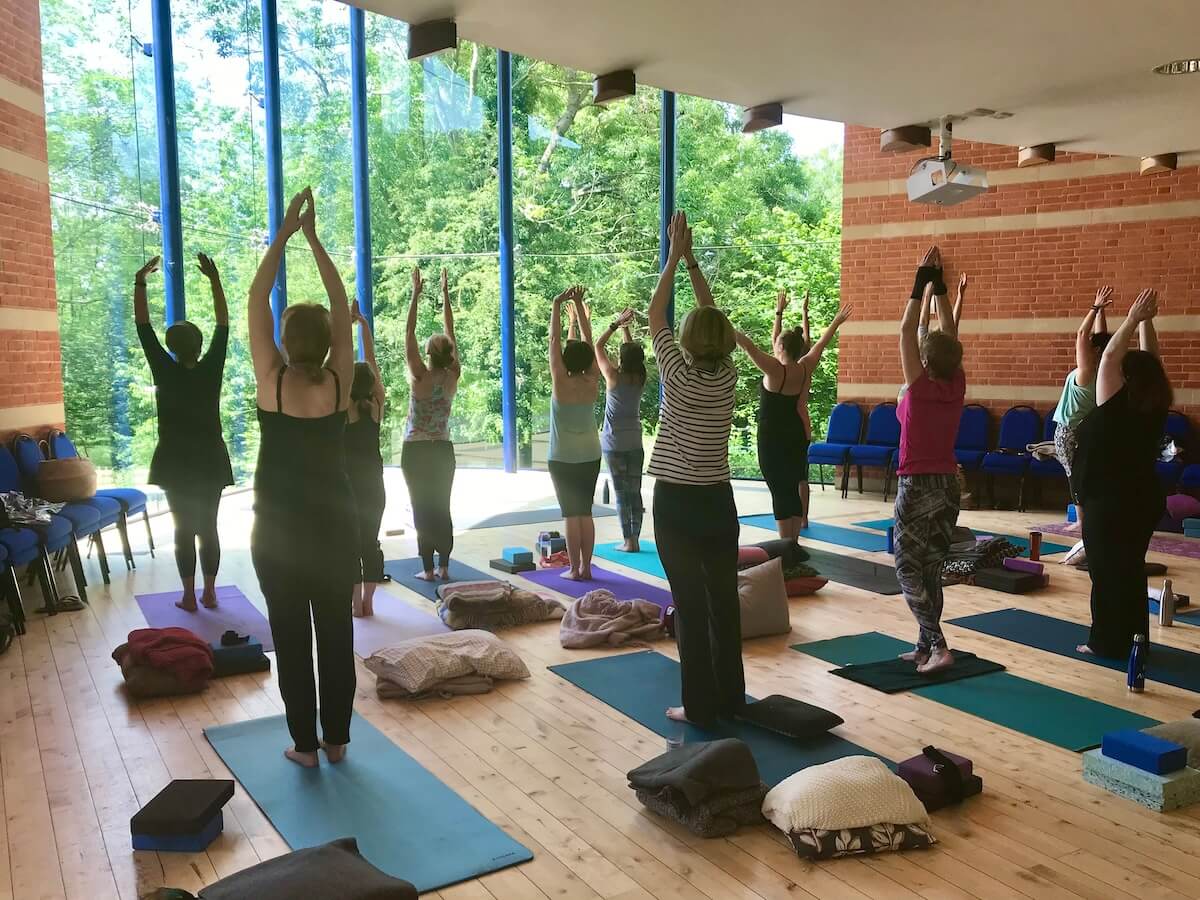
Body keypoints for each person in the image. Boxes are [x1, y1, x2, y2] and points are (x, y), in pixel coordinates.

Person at [248, 187, 356, 768]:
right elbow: (342, 309)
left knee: (292, 641)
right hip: (336, 529)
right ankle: (337, 741)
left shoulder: (274, 383)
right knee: (336, 636)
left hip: (281, 537)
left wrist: (285, 235)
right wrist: (315, 240)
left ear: (285, 344)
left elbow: (256, 296)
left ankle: (305, 747)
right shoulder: (340, 381)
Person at [648, 212, 742, 727]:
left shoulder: (676, 370)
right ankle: (730, 697)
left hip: (679, 503)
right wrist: (693, 265)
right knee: (723, 601)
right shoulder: (727, 374)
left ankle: (701, 706)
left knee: (688, 603)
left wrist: (674, 259)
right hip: (718, 501)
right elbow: (712, 317)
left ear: (686, 340)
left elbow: (655, 312)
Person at [134, 252, 234, 612]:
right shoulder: (211, 369)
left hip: (175, 461)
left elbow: (143, 328)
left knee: (182, 528)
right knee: (209, 526)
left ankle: (189, 595)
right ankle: (210, 591)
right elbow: (224, 325)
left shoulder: (164, 369)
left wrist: (140, 282)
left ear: (172, 348)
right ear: (199, 345)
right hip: (209, 459)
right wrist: (214, 280)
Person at [1073, 288, 1170, 659]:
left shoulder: (1115, 404)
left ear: (1125, 378)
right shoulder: (1154, 403)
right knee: (1129, 570)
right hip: (1141, 498)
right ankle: (1135, 639)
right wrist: (1145, 323)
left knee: (1105, 573)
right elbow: (1151, 361)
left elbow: (1111, 356)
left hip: (1110, 502)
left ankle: (1104, 641)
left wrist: (1131, 319)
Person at [895, 246, 967, 675]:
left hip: (918, 485)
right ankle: (925, 646)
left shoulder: (919, 387)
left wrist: (921, 277)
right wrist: (937, 286)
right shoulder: (956, 386)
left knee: (906, 568)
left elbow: (907, 328)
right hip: (948, 485)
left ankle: (939, 646)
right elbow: (950, 333)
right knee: (932, 569)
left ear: (925, 361)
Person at [734, 291, 852, 539]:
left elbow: (747, 344)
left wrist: (719, 320)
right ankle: (793, 542)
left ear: (779, 346)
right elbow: (821, 343)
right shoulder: (805, 367)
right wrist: (836, 321)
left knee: (779, 489)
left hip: (772, 436)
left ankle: (785, 544)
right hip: (796, 433)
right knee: (792, 487)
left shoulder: (774, 370)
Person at [400, 267, 460, 582]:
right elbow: (452, 333)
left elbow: (408, 334)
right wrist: (446, 294)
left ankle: (427, 569)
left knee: (421, 508)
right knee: (441, 506)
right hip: (442, 450)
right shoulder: (453, 376)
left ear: (427, 354)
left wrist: (416, 294)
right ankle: (445, 566)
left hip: (416, 450)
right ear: (449, 355)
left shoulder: (419, 377)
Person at [1052, 286, 1114, 564]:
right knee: (1081, 474)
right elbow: (1102, 340)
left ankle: (1081, 522)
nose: (1086, 344)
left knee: (1075, 476)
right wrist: (1102, 312)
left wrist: (1093, 307)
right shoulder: (1104, 371)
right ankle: (1084, 519)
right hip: (1084, 431)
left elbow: (1081, 335)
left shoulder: (1086, 371)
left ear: (1093, 351)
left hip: (1069, 431)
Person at [548, 285, 602, 580]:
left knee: (571, 513)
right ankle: (586, 567)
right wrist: (580, 306)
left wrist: (558, 304)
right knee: (586, 512)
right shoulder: (593, 379)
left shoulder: (560, 381)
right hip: (590, 454)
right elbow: (589, 342)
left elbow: (554, 339)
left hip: (563, 456)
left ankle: (573, 568)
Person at [346, 301, 387, 617]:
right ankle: (368, 603)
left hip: (347, 485)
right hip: (374, 484)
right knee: (370, 543)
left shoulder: (344, 408)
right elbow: (369, 362)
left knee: (349, 545)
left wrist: (346, 326)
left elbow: (341, 365)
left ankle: (354, 603)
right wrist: (363, 327)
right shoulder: (376, 405)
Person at [594, 307, 646, 552]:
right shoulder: (640, 377)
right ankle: (634, 538)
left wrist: (615, 324)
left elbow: (597, 347)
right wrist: (626, 330)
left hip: (614, 444)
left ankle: (628, 540)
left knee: (621, 493)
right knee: (634, 492)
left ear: (622, 359)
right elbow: (632, 355)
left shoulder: (613, 377)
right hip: (635, 442)